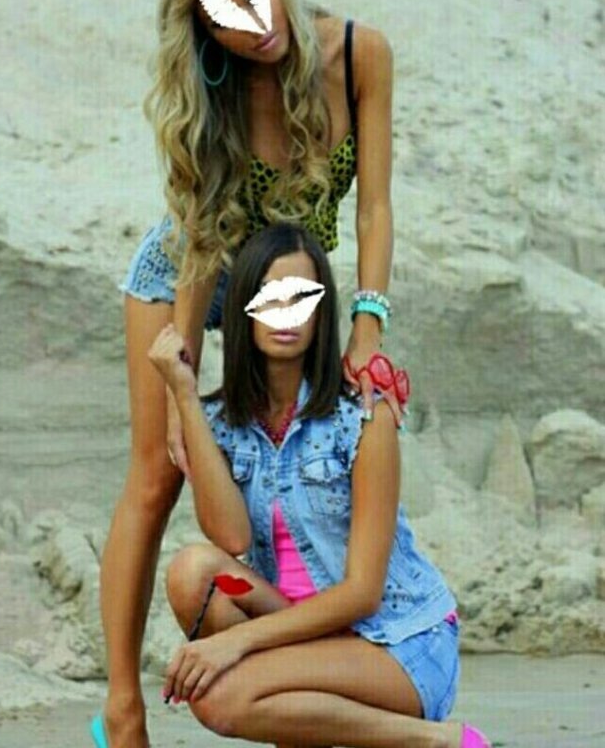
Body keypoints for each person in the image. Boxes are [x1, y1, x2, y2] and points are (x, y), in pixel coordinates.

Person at [94, 0, 398, 746]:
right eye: (221, 16)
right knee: (159, 473)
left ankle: (311, 664)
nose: (251, 22)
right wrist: (182, 381)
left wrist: (367, 325)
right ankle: (121, 712)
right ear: (204, 33)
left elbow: (373, 209)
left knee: (302, 455)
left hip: (288, 282)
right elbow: (201, 237)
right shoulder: (217, 93)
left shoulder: (359, 53)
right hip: (190, 270)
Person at [149, 223, 492, 748]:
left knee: (219, 698)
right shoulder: (224, 424)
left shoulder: (363, 416)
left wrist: (235, 644)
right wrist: (184, 398)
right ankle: (302, 724)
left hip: (397, 643)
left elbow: (363, 593)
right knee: (193, 573)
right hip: (304, 633)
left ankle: (438, 741)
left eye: (301, 298)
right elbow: (231, 538)